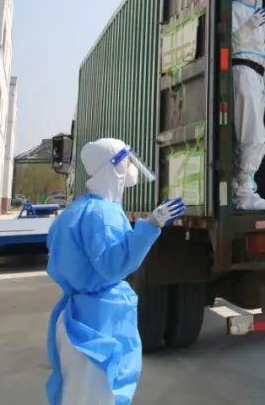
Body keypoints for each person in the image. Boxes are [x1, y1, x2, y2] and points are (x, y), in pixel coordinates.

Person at [45, 138, 186, 405]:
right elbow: (113, 265)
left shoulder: (77, 209)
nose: (131, 166)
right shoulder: (102, 213)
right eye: (127, 161)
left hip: (79, 317)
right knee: (102, 393)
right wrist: (152, 225)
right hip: (99, 324)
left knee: (77, 393)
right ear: (114, 167)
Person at [231, 0, 265, 210]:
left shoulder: (258, 13)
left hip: (256, 75)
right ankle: (244, 192)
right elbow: (230, 43)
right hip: (243, 70)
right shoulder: (234, 8)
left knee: (254, 134)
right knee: (252, 135)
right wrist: (250, 24)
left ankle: (241, 187)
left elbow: (262, 51)